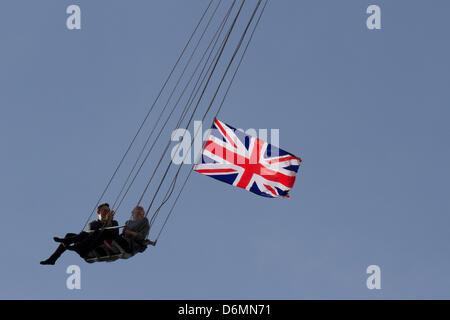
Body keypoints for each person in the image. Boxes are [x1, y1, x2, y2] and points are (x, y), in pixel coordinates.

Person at [40, 203, 119, 265]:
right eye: (105, 211)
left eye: (108, 211)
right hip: (90, 243)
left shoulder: (114, 222)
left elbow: (115, 235)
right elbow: (90, 235)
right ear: (98, 212)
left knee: (98, 232)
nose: (107, 213)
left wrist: (109, 221)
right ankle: (53, 259)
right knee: (72, 235)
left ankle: (71, 244)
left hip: (105, 243)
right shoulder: (93, 223)